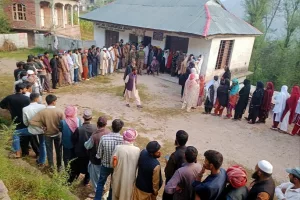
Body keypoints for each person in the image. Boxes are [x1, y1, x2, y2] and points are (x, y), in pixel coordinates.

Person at [30, 94, 64, 171]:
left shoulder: (42, 112)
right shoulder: (59, 111)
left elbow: (31, 121)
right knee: (59, 151)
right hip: (57, 134)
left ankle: (51, 167)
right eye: (55, 101)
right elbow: (64, 123)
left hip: (47, 134)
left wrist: (41, 125)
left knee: (49, 151)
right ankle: (59, 167)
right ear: (53, 102)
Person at [94, 119, 125, 200]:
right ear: (121, 128)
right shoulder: (123, 140)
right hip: (116, 167)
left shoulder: (104, 138)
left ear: (111, 126)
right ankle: (110, 198)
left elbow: (99, 154)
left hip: (105, 165)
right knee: (113, 184)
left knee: (100, 183)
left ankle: (97, 198)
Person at [0, 83, 30, 157]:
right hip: (24, 119)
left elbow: (1, 105)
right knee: (25, 136)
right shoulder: (26, 98)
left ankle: (17, 151)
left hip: (15, 119)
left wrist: (8, 108)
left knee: (16, 134)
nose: (26, 89)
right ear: (21, 89)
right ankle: (25, 151)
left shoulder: (9, 97)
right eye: (25, 88)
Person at [84, 116, 110, 197]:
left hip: (95, 160)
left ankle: (96, 191)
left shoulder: (95, 136)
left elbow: (87, 146)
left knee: (95, 177)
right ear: (105, 124)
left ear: (97, 124)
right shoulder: (109, 132)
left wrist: (85, 143)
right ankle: (104, 186)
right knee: (103, 175)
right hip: (105, 159)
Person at [69, 109, 97, 185]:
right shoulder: (95, 128)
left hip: (79, 153)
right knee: (88, 168)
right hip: (90, 153)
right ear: (91, 118)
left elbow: (73, 139)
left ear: (83, 118)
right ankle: (86, 181)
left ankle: (70, 182)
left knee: (76, 168)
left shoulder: (79, 129)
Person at [111, 129, 140, 200]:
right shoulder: (137, 150)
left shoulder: (118, 148)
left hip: (118, 177)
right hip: (129, 179)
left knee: (116, 195)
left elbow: (112, 164)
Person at [21, 93, 46, 164]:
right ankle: (42, 161)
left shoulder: (25, 108)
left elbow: (25, 122)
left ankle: (17, 150)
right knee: (42, 144)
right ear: (36, 99)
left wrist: (30, 126)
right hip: (42, 129)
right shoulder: (43, 107)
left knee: (16, 133)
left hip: (31, 129)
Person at [163, 130, 189, 200]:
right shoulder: (189, 152)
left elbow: (168, 173)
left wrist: (168, 163)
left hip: (173, 186)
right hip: (184, 186)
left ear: (176, 140)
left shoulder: (174, 156)